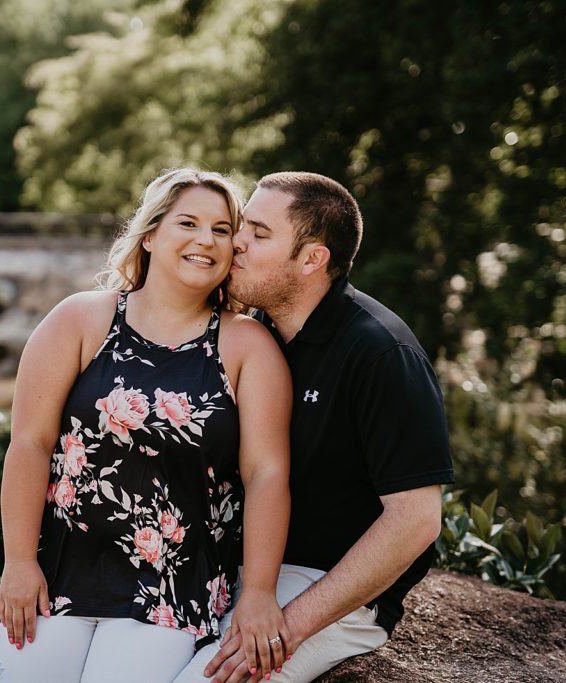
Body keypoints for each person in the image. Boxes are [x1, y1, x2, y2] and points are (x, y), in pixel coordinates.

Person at [0, 169, 294, 683]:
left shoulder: (247, 346)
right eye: (189, 223)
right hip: (56, 576)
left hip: (174, 591)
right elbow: (30, 443)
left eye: (222, 230)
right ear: (150, 234)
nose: (205, 240)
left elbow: (266, 475)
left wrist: (259, 592)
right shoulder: (81, 319)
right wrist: (18, 562)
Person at [174, 172, 455, 683]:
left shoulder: (380, 353)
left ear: (311, 259)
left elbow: (416, 520)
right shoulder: (253, 332)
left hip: (323, 587)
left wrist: (291, 625)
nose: (234, 241)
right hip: (235, 570)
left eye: (258, 234)